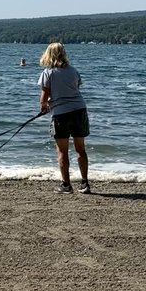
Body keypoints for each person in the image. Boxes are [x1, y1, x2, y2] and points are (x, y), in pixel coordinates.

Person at [37, 42, 90, 194]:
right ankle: (85, 183)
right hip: (79, 110)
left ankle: (66, 185)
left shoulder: (48, 73)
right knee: (81, 149)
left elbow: (44, 98)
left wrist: (45, 107)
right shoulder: (73, 71)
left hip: (61, 113)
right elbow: (75, 89)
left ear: (48, 54)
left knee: (62, 151)